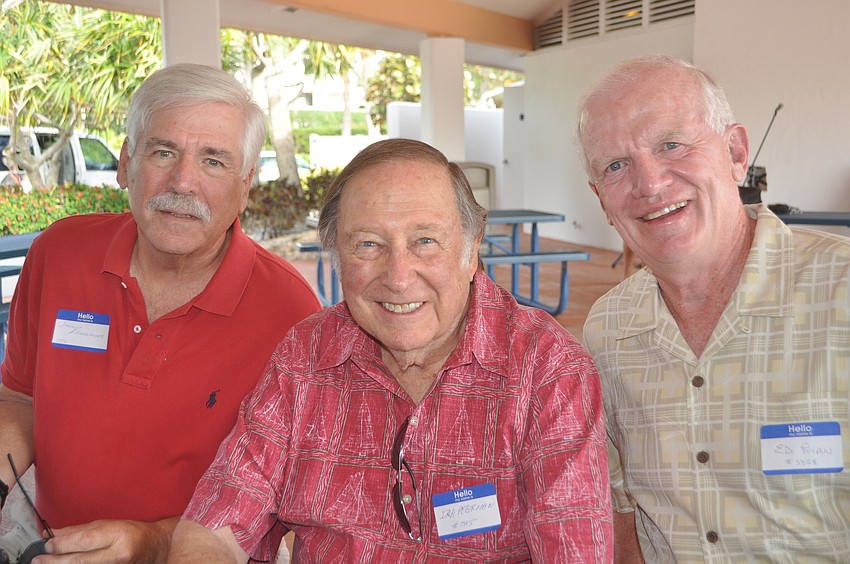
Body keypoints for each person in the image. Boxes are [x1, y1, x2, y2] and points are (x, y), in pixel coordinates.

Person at [167, 138, 613, 562]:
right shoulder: (305, 355)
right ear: (337, 256)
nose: (398, 277)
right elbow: (215, 526)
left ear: (472, 249)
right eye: (368, 245)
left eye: (425, 241)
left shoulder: (548, 369)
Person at [0, 63, 321, 562]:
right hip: (46, 545)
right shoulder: (58, 253)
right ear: (127, 162)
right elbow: (19, 396)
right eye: (163, 151)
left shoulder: (291, 312)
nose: (184, 182)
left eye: (214, 161)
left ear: (245, 185)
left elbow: (283, 500)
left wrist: (151, 542)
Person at [577, 54, 850, 562]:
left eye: (671, 145)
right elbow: (624, 515)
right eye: (616, 166)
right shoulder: (608, 330)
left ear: (735, 152)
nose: (650, 184)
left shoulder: (841, 294)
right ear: (601, 199)